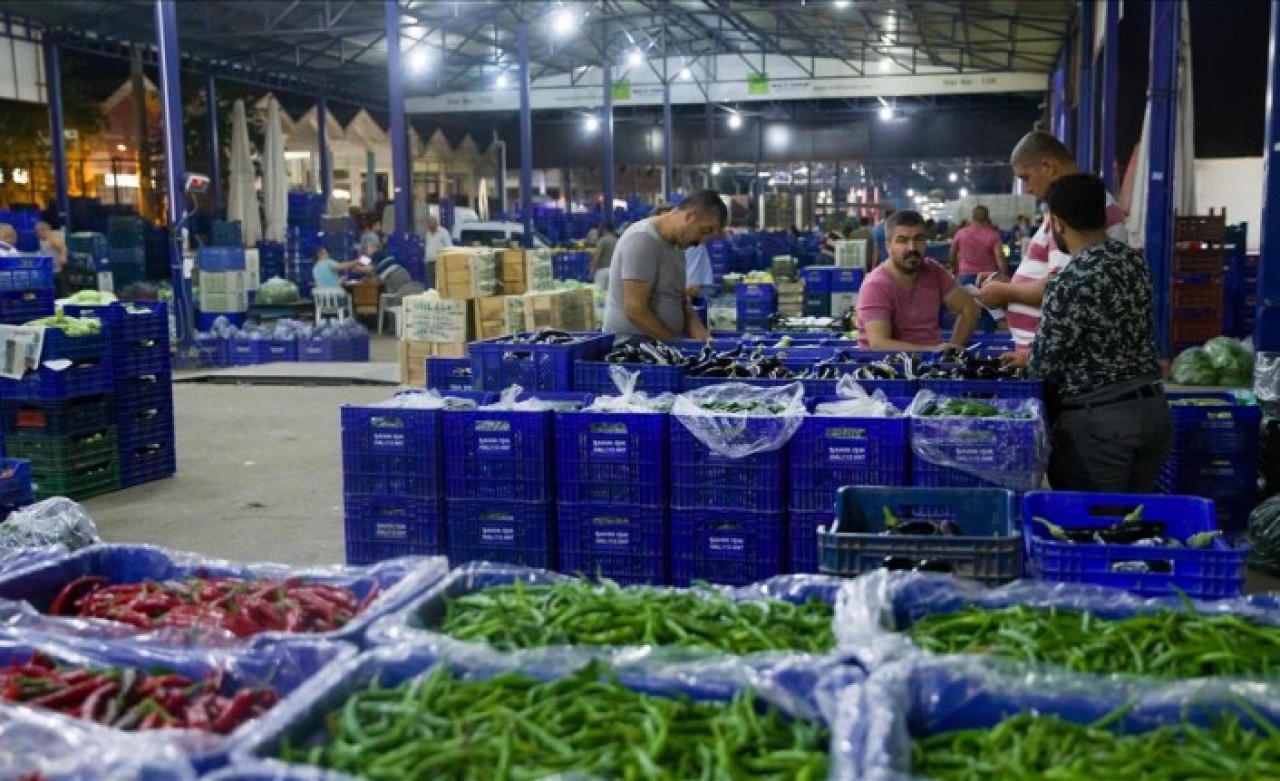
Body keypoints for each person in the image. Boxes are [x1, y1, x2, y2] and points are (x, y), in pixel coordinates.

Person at [1017, 173, 1171, 492]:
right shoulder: (1133, 263)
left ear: (1057, 223)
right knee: (1136, 527)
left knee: (1096, 527)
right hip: (1152, 413)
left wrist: (1030, 363)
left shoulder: (1070, 280)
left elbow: (1046, 367)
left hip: (1101, 428)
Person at [975, 131, 1129, 355]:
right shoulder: (1073, 205)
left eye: (1026, 177)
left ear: (1047, 166)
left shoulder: (1078, 209)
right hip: (1045, 354)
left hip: (1051, 358)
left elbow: (1063, 290)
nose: (1027, 188)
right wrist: (1009, 285)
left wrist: (1005, 292)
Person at [602, 190, 726, 343]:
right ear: (689, 216)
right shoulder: (643, 240)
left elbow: (682, 301)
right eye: (704, 231)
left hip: (661, 344)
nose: (702, 241)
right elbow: (635, 310)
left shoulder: (678, 247)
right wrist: (675, 343)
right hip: (634, 348)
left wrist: (703, 336)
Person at [855, 209, 979, 351]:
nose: (912, 247)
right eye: (903, 240)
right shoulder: (876, 285)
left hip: (932, 366)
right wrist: (932, 351)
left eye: (918, 239)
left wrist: (953, 349)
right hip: (890, 366)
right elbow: (879, 344)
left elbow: (969, 308)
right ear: (888, 246)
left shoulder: (933, 271)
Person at [949, 205, 1009, 333]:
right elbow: (1000, 259)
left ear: (972, 217)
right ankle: (988, 339)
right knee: (989, 312)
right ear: (988, 218)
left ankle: (964, 340)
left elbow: (952, 253)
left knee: (966, 311)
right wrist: (1005, 276)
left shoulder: (961, 233)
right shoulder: (993, 235)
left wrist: (954, 270)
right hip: (986, 280)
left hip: (964, 278)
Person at [591, 221, 618, 288]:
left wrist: (593, 270)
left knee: (599, 293)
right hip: (614, 271)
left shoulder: (602, 241)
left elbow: (597, 257)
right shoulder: (617, 240)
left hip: (602, 271)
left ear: (604, 229)